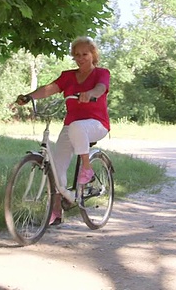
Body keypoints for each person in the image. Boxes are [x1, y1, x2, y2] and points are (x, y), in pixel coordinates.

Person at [16, 36, 110, 225]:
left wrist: (90, 93)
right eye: (77, 55)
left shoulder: (101, 73)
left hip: (96, 124)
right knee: (56, 168)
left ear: (93, 55)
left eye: (85, 54)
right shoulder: (68, 76)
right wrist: (29, 97)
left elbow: (100, 88)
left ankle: (87, 169)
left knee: (76, 126)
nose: (81, 58)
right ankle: (56, 212)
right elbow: (49, 89)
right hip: (72, 126)